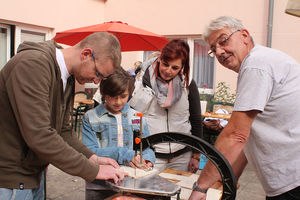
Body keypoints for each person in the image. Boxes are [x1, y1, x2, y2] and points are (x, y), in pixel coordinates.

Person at [0, 32, 126, 200]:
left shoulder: (67, 76)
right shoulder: (33, 65)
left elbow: (63, 130)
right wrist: (93, 171)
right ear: (86, 54)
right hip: (11, 177)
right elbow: (40, 135)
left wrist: (93, 158)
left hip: (33, 174)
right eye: (98, 74)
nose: (96, 82)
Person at [189, 16, 300, 200]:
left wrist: (200, 188)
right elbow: (246, 141)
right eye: (213, 49)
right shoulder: (261, 62)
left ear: (245, 35)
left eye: (223, 41)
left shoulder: (257, 64)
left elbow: (235, 136)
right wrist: (226, 184)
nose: (219, 52)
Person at [129, 39, 203, 173]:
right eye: (165, 64)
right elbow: (131, 119)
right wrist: (134, 152)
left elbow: (196, 119)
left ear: (182, 67)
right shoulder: (140, 82)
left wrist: (196, 155)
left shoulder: (187, 84)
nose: (168, 71)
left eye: (175, 68)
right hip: (150, 155)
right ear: (159, 59)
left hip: (182, 155)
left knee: (179, 193)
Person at [81, 68, 156, 199]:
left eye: (123, 96)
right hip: (99, 184)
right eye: (112, 96)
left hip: (131, 184)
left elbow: (147, 147)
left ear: (130, 93)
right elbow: (89, 152)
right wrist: (124, 154)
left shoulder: (136, 116)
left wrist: (147, 159)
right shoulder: (90, 117)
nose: (118, 102)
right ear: (103, 93)